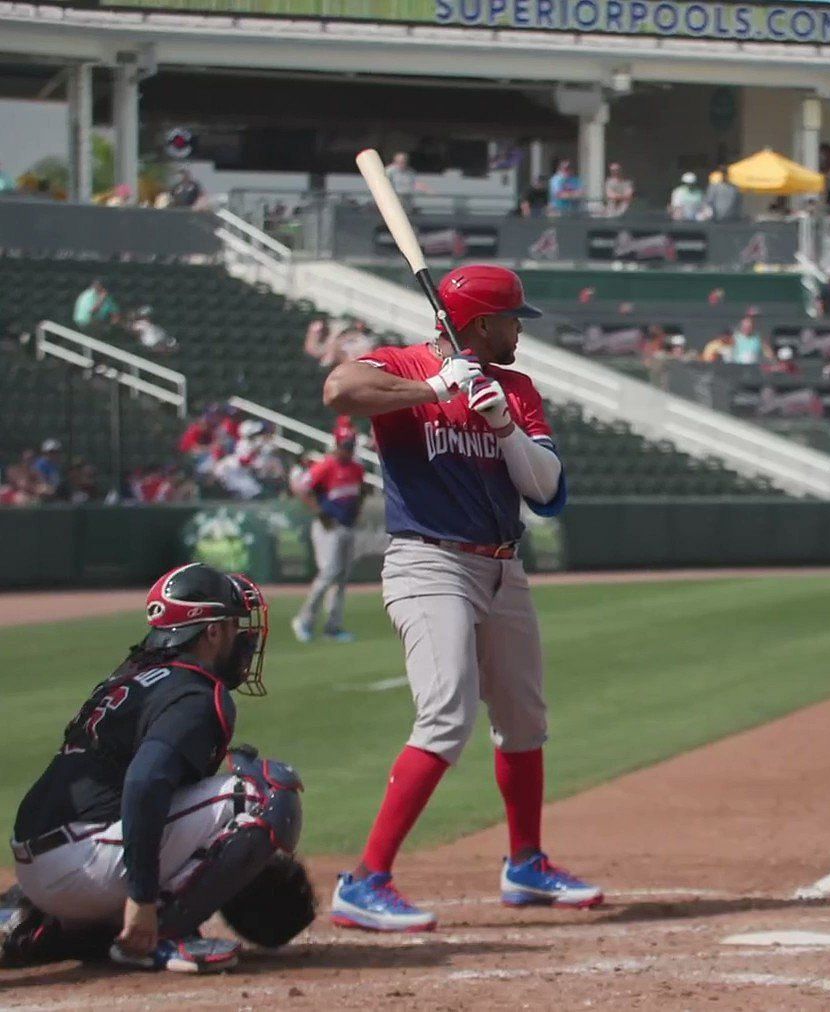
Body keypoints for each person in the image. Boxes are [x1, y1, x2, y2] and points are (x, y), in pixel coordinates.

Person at [321, 264, 602, 931]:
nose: (518, 331)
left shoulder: (516, 387)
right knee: (446, 714)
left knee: (524, 720)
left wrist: (503, 425)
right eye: (511, 320)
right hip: (428, 562)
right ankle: (365, 880)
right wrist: (431, 386)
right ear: (481, 323)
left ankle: (526, 864)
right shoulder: (401, 364)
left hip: (503, 567)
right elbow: (340, 388)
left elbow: (547, 492)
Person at [1, 564, 314, 973]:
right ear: (212, 632)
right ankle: (160, 936)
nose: (245, 637)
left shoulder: (132, 677)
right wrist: (143, 897)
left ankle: (44, 927)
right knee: (266, 792)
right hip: (84, 863)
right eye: (235, 625)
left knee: (186, 793)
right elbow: (145, 782)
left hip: (40, 866)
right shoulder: (195, 692)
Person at [291, 427, 368, 644]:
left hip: (347, 525)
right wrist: (318, 511)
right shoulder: (325, 465)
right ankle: (304, 620)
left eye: (351, 446)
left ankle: (332, 626)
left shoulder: (356, 467)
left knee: (341, 577)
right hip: (329, 526)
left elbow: (360, 490)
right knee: (328, 573)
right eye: (346, 446)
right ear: (337, 445)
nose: (349, 450)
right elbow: (302, 489)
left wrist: (358, 510)